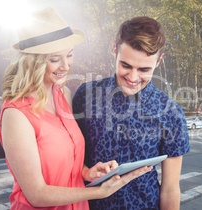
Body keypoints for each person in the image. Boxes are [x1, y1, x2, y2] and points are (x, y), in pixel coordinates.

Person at [0, 8, 152, 209]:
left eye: (69, 55)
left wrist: (87, 172)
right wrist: (99, 191)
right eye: (54, 59)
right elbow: (36, 194)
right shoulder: (16, 114)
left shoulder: (63, 95)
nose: (65, 66)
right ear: (32, 61)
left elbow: (67, 159)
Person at [72, 16, 190, 209]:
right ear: (114, 50)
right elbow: (69, 156)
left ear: (159, 61)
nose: (133, 77)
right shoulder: (85, 96)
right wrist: (86, 171)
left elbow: (170, 188)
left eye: (144, 69)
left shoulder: (172, 113)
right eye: (126, 65)